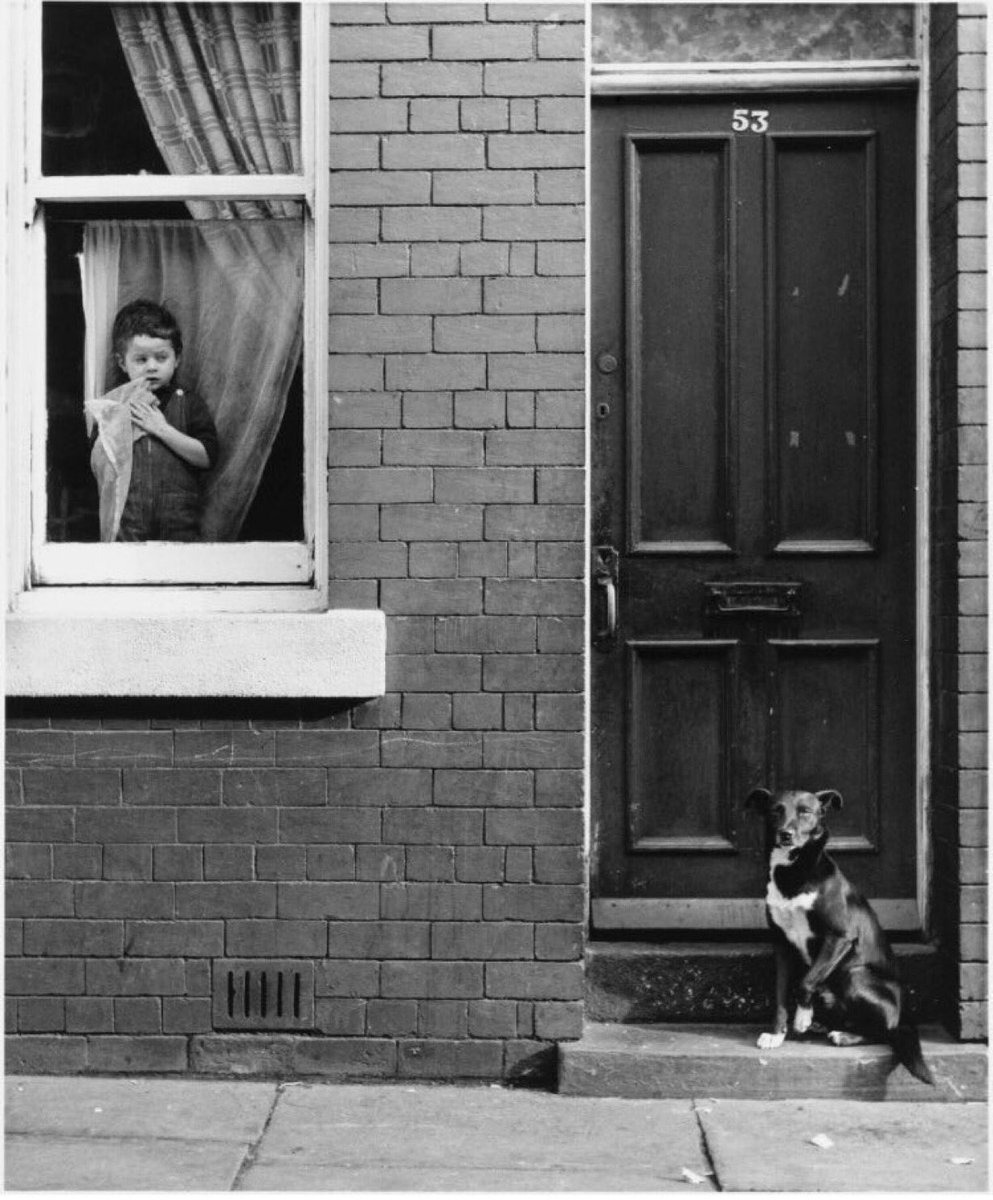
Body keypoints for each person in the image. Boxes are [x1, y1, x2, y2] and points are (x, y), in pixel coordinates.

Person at [86, 300, 218, 541]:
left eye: (161, 357)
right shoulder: (112, 408)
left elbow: (207, 457)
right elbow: (99, 466)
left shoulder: (189, 403)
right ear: (121, 362)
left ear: (176, 359)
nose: (152, 367)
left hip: (180, 525)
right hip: (128, 524)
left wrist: (162, 430)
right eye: (141, 359)